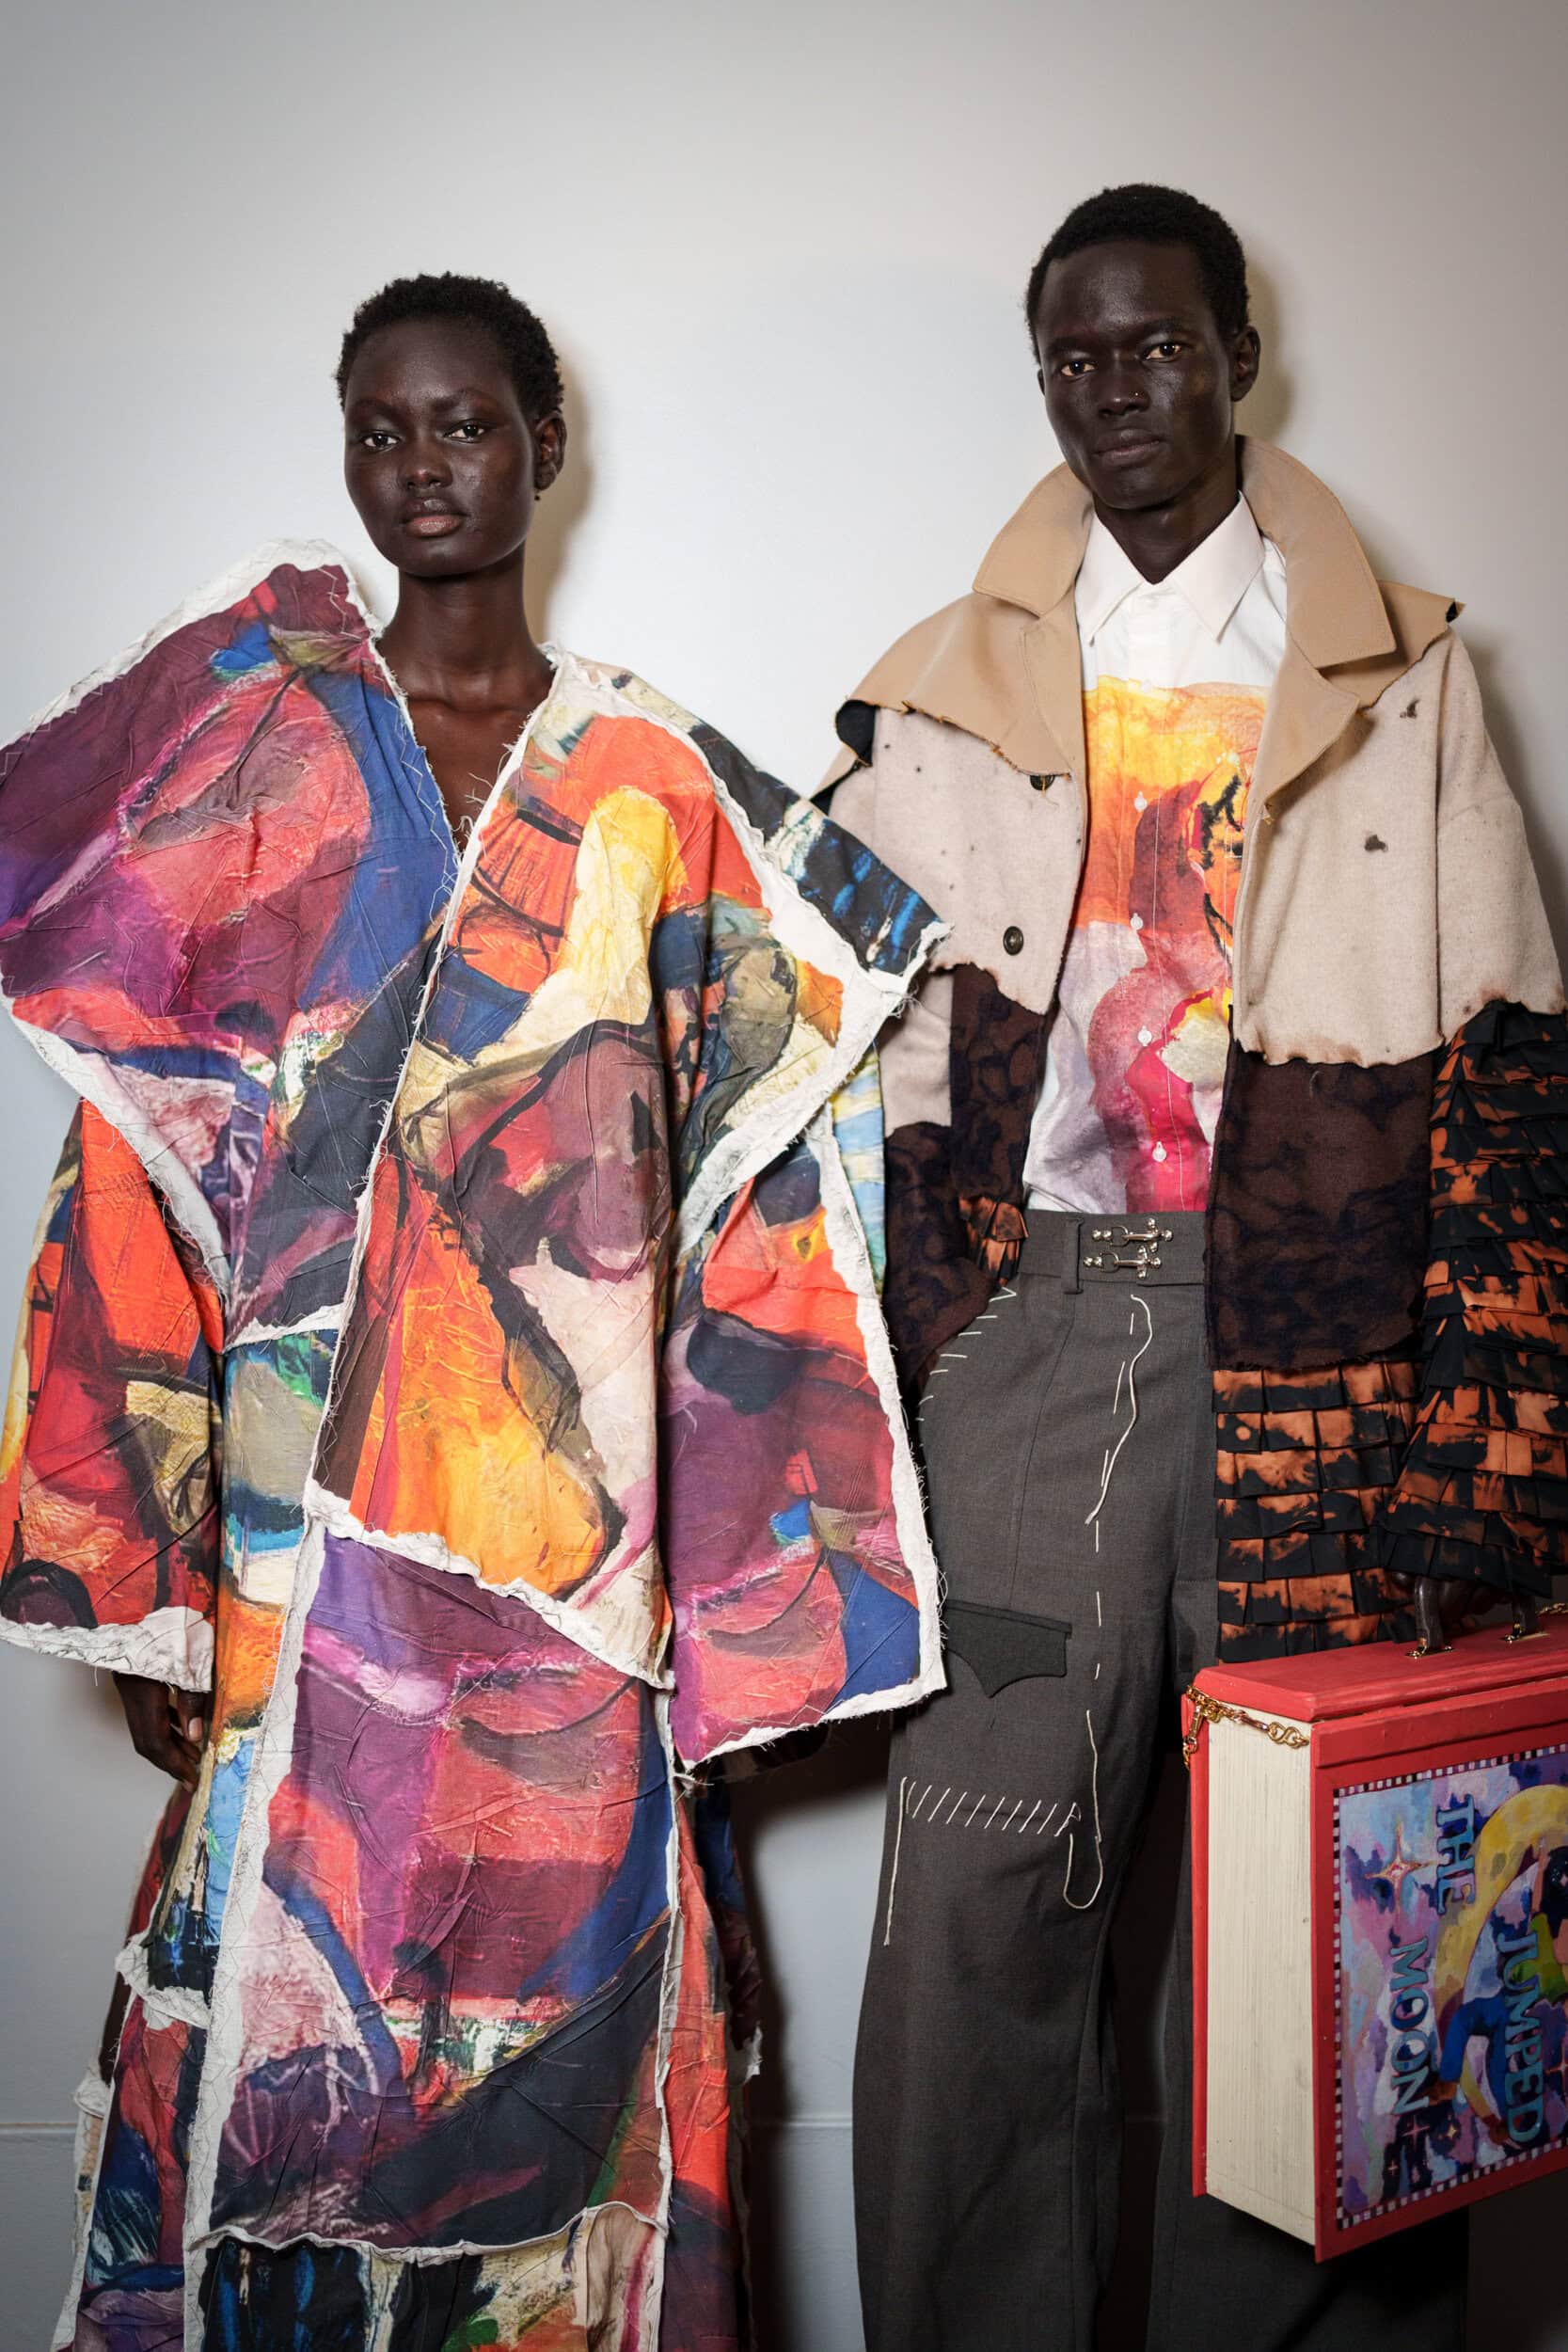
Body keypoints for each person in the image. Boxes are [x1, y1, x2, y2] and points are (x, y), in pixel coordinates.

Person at [0, 273, 942, 2351]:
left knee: (574, 2048)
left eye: (467, 424)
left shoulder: (656, 787)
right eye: (385, 430)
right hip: (287, 1539)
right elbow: (139, 1159)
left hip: (577, 1563)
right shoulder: (256, 753)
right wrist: (145, 1568)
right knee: (271, 2034)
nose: (425, 467)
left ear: (545, 445)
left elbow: (756, 1209)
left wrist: (746, 1616)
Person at [822, 183, 1568, 2350]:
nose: (1112, 387)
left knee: (1304, 1948)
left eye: (1153, 342)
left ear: (1241, 354)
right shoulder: (936, 695)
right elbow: (838, 1079)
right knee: (974, 1924)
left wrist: (1484, 1454)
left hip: (1327, 1369)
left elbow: (1515, 1073)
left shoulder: (1404, 680)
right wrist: (871, 1401)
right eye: (1071, 352)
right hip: (1027, 1346)